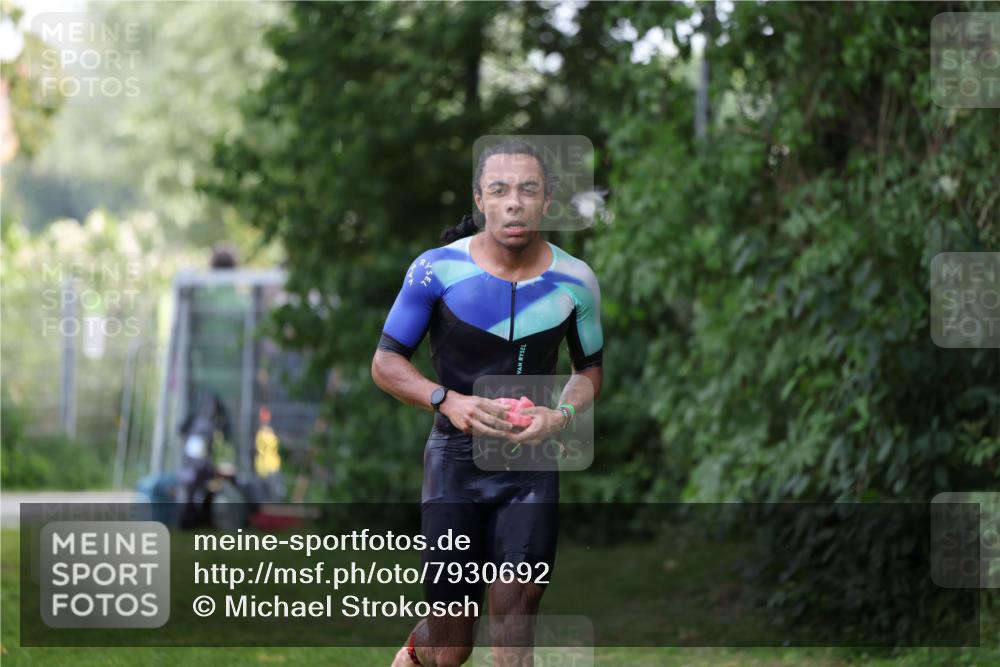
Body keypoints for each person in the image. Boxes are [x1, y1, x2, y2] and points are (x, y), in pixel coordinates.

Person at [372, 140, 604, 667]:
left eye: (528, 189)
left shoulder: (576, 281)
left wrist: (561, 415)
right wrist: (445, 400)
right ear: (480, 200)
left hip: (529, 468)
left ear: (547, 201)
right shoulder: (436, 270)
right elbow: (385, 362)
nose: (514, 202)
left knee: (515, 630)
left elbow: (589, 369)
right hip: (454, 464)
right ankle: (416, 654)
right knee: (452, 647)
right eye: (499, 190)